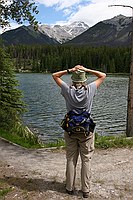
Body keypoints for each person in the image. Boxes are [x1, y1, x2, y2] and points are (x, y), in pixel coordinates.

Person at [52, 65, 106, 198]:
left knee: (71, 158)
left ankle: (69, 188)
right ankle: (85, 190)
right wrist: (86, 70)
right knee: (86, 160)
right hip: (86, 131)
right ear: (84, 80)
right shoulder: (91, 89)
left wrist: (70, 69)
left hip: (70, 130)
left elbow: (55, 75)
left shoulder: (67, 89)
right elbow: (103, 75)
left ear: (73, 80)